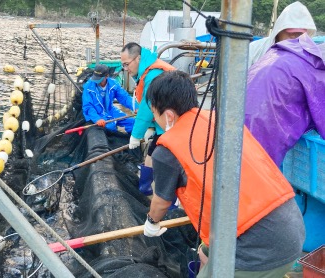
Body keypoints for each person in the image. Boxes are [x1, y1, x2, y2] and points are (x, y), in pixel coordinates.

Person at [143, 70, 305, 277]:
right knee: (204, 251)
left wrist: (152, 223)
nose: (155, 119)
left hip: (260, 252)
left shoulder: (167, 151)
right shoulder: (219, 120)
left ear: (168, 115)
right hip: (292, 226)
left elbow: (161, 201)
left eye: (154, 113)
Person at [245, 33, 325, 167]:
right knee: (257, 173)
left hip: (237, 119)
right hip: (265, 127)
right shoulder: (316, 73)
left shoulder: (287, 53)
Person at [120, 42, 175, 196]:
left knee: (166, 161)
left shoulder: (153, 75)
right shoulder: (147, 71)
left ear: (137, 58)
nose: (125, 69)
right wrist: (151, 127)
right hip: (162, 124)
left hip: (172, 125)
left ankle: (169, 200)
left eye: (126, 64)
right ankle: (145, 186)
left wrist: (136, 135)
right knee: (151, 152)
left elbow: (146, 107)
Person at [248, 1, 316, 67]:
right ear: (279, 31)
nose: (294, 37)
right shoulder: (255, 48)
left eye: (299, 34)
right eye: (291, 33)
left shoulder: (308, 57)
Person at [82, 64, 137, 134]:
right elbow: (88, 107)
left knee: (132, 122)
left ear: (107, 76)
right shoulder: (88, 87)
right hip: (98, 113)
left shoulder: (114, 84)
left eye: (99, 78)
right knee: (110, 127)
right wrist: (97, 119)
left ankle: (133, 140)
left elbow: (125, 98)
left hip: (110, 110)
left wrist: (136, 107)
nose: (96, 81)